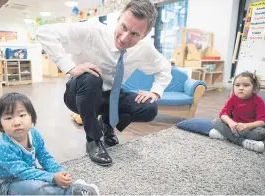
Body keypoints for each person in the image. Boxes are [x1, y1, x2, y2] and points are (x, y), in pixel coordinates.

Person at [35, 0, 172, 166]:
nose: (124, 38)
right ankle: (93, 140)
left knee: (149, 107)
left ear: (145, 35)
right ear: (118, 18)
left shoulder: (145, 49)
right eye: (124, 27)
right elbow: (44, 32)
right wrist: (70, 67)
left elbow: (164, 69)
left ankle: (107, 124)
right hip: (79, 93)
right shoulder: (92, 31)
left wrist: (155, 92)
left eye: (135, 34)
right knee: (92, 77)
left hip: (109, 97)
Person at [0, 92, 100, 195]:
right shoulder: (2, 146)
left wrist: (60, 172)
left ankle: (73, 187)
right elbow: (22, 172)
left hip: (30, 172)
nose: (17, 122)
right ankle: (73, 192)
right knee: (38, 187)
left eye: (22, 115)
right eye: (9, 118)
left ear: (31, 117)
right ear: (0, 124)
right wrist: (52, 177)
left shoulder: (34, 134)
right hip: (8, 183)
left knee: (53, 178)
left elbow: (45, 157)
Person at [209, 71, 265, 153]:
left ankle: (225, 136)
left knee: (262, 133)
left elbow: (264, 121)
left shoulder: (258, 101)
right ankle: (243, 142)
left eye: (246, 85)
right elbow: (223, 114)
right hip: (234, 127)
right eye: (237, 85)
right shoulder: (233, 98)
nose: (241, 88)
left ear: (254, 88)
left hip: (249, 129)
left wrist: (248, 125)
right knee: (216, 121)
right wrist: (230, 122)